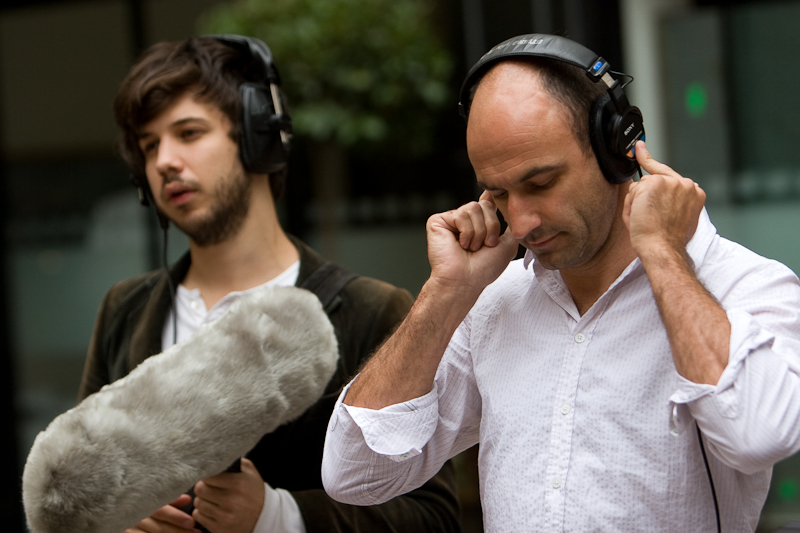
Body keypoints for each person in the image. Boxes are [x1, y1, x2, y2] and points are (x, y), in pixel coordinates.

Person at [321, 34, 800, 532]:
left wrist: (663, 253)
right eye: (499, 193)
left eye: (541, 183)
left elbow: (760, 435)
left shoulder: (743, 284)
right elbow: (354, 475)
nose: (522, 223)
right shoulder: (492, 303)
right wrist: (447, 293)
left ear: (617, 147)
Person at [77, 35, 460, 533]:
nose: (164, 160)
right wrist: (118, 517)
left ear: (260, 138)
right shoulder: (124, 309)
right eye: (149, 147)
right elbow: (80, 487)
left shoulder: (369, 309)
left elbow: (433, 518)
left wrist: (277, 516)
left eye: (188, 133)